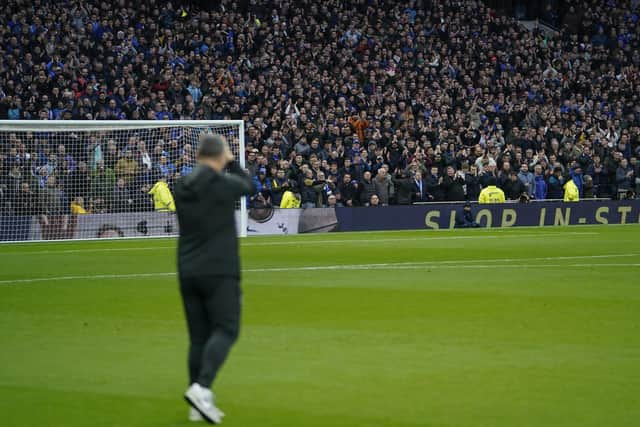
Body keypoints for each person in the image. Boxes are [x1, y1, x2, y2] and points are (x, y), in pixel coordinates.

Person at [174, 133, 256, 424]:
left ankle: (198, 404)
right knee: (227, 329)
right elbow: (248, 186)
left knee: (199, 338)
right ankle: (202, 386)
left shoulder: (181, 185)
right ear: (221, 155)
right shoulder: (222, 184)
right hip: (219, 268)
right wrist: (232, 163)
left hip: (187, 268)